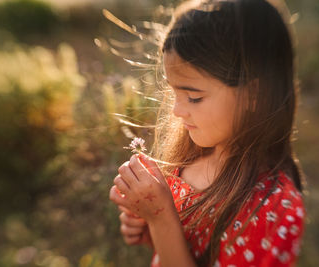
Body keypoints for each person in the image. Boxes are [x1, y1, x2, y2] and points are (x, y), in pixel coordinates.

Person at [109, 0, 306, 266]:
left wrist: (161, 218)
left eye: (193, 97)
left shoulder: (273, 210)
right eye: (174, 92)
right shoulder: (190, 159)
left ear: (253, 94)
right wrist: (152, 232)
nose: (177, 110)